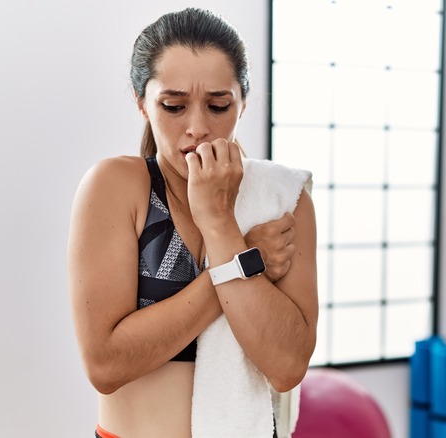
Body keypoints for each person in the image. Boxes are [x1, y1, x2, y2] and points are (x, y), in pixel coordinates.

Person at [67, 8, 318, 437]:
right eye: (173, 105)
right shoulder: (116, 187)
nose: (197, 128)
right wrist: (243, 262)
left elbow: (287, 367)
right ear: (141, 102)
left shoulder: (283, 200)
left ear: (244, 101)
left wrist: (219, 223)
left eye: (219, 105)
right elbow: (106, 365)